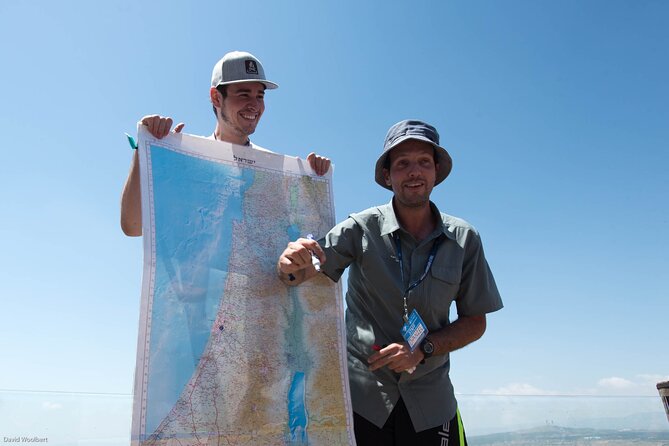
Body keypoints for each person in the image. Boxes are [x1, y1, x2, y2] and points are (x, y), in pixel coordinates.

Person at [277, 119, 503, 445]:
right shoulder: (361, 227)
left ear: (436, 171)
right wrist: (289, 264)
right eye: (402, 164)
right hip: (362, 406)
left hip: (432, 405)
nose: (414, 171)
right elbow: (303, 270)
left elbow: (476, 321)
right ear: (387, 175)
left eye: (424, 162)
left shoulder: (464, 239)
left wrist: (423, 349)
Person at [121, 51, 331, 236]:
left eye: (259, 96)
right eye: (243, 94)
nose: (254, 105)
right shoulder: (186, 163)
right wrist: (145, 149)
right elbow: (133, 226)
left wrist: (314, 183)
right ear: (216, 97)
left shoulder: (275, 173)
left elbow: (298, 238)